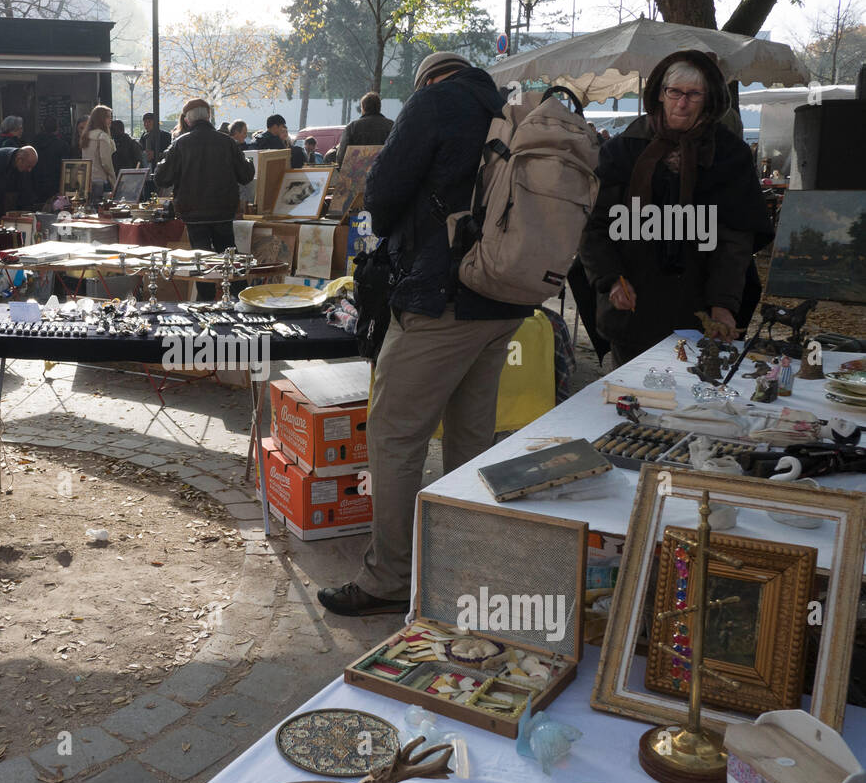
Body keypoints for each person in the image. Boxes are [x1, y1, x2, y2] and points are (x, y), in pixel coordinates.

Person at [317, 52, 533, 616]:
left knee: (394, 436)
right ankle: (459, 561)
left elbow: (383, 193)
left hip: (441, 298)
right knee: (469, 435)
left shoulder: (434, 101)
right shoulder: (508, 111)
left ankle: (390, 577)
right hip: (504, 299)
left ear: (428, 79)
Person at [577, 49, 771, 367]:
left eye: (694, 95)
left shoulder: (728, 156)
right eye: (675, 92)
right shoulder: (624, 150)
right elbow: (593, 225)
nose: (682, 103)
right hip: (634, 309)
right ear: (660, 94)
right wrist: (611, 279)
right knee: (633, 402)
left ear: (710, 100)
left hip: (699, 311)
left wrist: (724, 303)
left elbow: (735, 240)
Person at [154, 97, 254, 272]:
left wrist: (164, 160)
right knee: (228, 259)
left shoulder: (180, 144)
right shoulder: (227, 142)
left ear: (187, 120)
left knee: (201, 261)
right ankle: (237, 294)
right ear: (209, 117)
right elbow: (246, 175)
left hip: (194, 213)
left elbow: (162, 178)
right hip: (223, 211)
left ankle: (205, 297)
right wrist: (249, 161)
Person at [336, 91, 393, 165]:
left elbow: (341, 157)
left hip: (358, 174)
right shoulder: (391, 126)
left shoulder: (352, 128)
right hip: (385, 172)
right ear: (379, 107)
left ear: (363, 107)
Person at [80, 105, 115, 203]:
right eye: (108, 117)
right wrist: (113, 180)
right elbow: (106, 162)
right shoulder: (102, 137)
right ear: (101, 119)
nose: (110, 120)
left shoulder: (86, 136)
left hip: (87, 180)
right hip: (101, 180)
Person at [30, 116, 67, 202]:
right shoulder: (62, 145)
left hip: (36, 184)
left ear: (42, 127)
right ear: (57, 128)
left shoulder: (34, 142)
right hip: (55, 184)